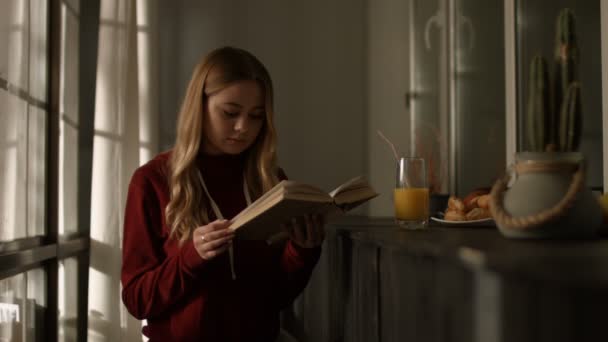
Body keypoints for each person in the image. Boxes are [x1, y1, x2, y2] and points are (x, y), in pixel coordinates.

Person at [121, 46, 325, 341]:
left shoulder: (270, 181)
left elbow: (274, 299)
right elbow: (137, 299)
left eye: (256, 116)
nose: (243, 127)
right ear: (199, 106)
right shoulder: (152, 181)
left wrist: (302, 252)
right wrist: (192, 257)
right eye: (230, 113)